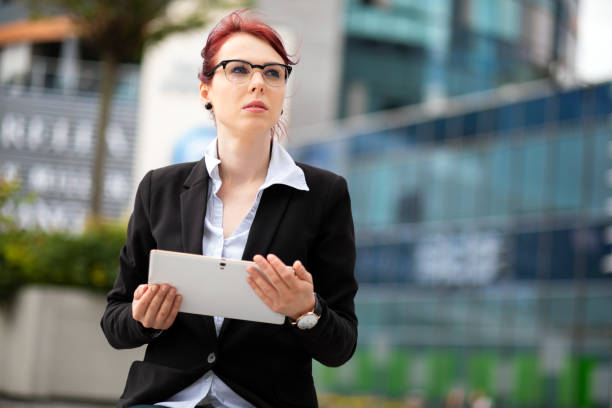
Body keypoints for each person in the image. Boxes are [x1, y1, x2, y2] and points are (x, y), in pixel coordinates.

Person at [100, 9, 358, 408]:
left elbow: (341, 345)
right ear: (206, 89)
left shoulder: (323, 194)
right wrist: (142, 318)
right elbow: (115, 321)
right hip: (164, 400)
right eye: (238, 69)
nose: (259, 82)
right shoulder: (160, 188)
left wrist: (306, 311)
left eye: (273, 73)